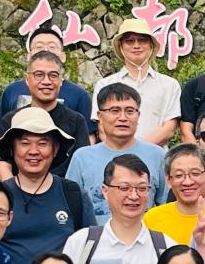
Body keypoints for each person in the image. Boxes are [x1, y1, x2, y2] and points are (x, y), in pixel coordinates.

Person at [0, 107, 95, 264]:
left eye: (42, 143)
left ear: (55, 149)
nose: (34, 151)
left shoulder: (73, 195)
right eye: (25, 143)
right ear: (12, 149)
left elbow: (90, 248)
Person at [66, 83, 166, 220]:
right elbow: (71, 207)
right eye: (115, 110)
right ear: (100, 116)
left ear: (138, 115)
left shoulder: (157, 155)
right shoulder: (82, 157)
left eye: (130, 111)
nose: (123, 118)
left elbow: (167, 207)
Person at [0, 52, 93, 179]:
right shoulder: (12, 119)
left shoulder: (76, 120)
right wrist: (14, 189)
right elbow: (2, 164)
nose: (46, 81)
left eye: (53, 75)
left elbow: (81, 164)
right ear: (27, 79)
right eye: (39, 75)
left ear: (61, 80)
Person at [92, 17, 182, 145]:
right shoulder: (105, 85)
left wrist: (140, 151)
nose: (136, 46)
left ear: (151, 45)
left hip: (157, 155)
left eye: (142, 40)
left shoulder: (169, 85)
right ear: (121, 46)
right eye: (130, 41)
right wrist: (123, 152)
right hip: (116, 155)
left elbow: (169, 128)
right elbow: (102, 128)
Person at [0, 24, 93, 121]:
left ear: (63, 56)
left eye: (52, 47)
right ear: (28, 56)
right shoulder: (11, 90)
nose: (46, 51)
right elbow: (3, 127)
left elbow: (86, 130)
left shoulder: (79, 95)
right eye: (39, 47)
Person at [144, 144, 205, 245]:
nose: (187, 182)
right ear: (168, 180)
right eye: (179, 175)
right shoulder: (151, 219)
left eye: (195, 173)